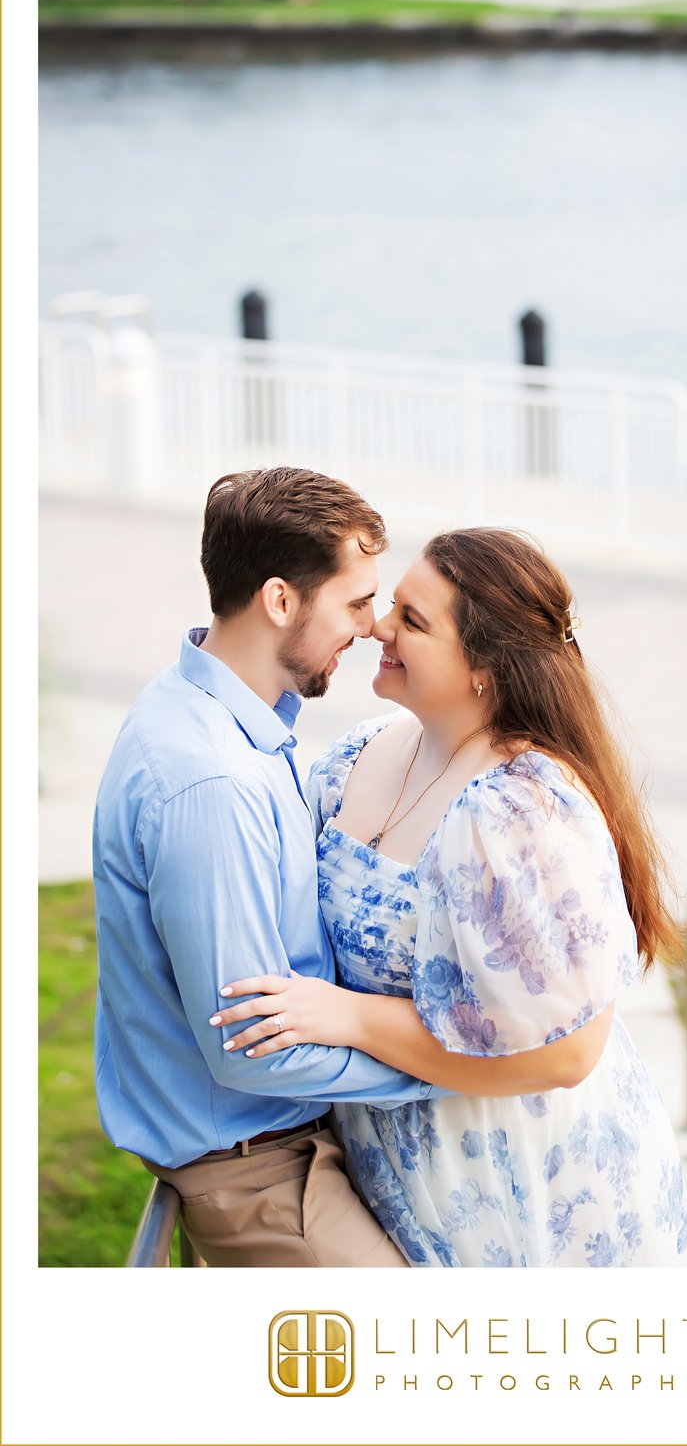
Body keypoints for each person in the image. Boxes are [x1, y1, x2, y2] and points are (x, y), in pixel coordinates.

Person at [211, 528, 687, 1268]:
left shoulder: (524, 810)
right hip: (403, 1169)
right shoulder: (361, 752)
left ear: (484, 669)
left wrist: (349, 1016)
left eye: (412, 620)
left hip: (535, 1184)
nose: (377, 626)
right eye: (392, 607)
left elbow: (570, 1055)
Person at [93, 466, 447, 1268]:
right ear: (281, 601)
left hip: (282, 1151)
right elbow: (253, 1048)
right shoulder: (212, 781)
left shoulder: (209, 711)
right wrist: (452, 1073)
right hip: (259, 1177)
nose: (372, 626)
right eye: (356, 602)